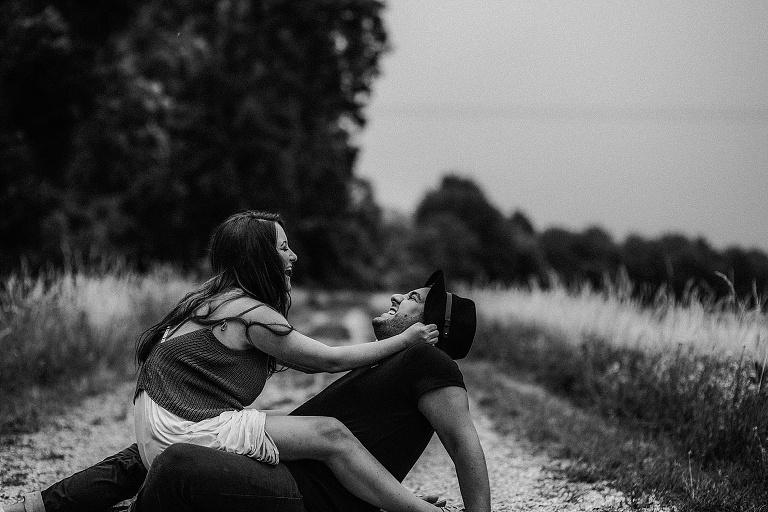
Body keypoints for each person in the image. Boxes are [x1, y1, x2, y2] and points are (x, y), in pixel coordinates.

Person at [5, 269, 491, 512]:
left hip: (305, 495)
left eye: (411, 299)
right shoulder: (384, 363)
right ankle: (33, 507)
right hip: (277, 475)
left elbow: (464, 444)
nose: (395, 297)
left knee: (178, 461)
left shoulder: (430, 360)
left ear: (428, 326)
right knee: (154, 450)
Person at [126, 210, 444, 512]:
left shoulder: (214, 300)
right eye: (284, 248)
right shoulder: (250, 312)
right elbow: (330, 360)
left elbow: (313, 364)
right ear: (261, 259)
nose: (293, 256)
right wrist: (403, 341)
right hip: (183, 437)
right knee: (330, 433)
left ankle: (396, 500)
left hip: (166, 436)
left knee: (295, 426)